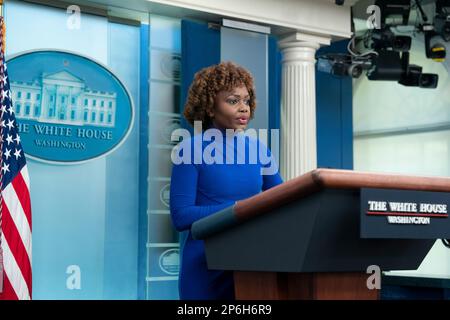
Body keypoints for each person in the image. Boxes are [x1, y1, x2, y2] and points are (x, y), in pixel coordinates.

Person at [169, 61, 283, 300]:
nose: (243, 108)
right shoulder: (189, 150)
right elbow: (181, 216)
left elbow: (281, 199)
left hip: (252, 262)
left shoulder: (259, 149)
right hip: (205, 266)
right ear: (210, 107)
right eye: (233, 101)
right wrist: (240, 209)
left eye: (246, 100)